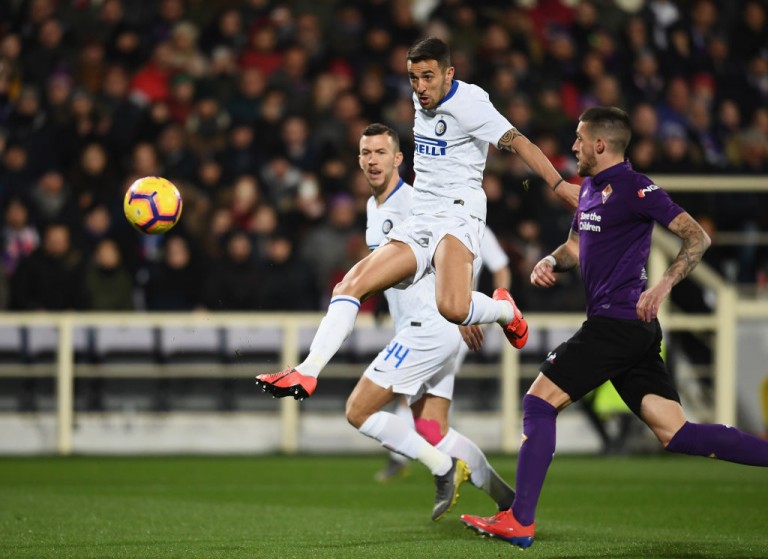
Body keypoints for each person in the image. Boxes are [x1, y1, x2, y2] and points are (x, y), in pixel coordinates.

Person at [459, 106, 768, 549]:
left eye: (580, 139)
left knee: (538, 403)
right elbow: (575, 247)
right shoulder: (589, 188)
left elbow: (696, 236)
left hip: (617, 323)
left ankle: (520, 521)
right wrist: (551, 261)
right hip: (627, 330)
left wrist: (663, 284)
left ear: (600, 144)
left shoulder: (636, 188)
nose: (574, 147)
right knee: (676, 433)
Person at [256, 36, 579, 400]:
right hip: (421, 216)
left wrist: (559, 185)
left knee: (453, 308)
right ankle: (307, 371)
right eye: (414, 78)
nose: (421, 87)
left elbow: (519, 141)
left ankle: (505, 310)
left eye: (428, 77)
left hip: (459, 213)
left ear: (449, 73)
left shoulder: (471, 102)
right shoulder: (419, 98)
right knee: (349, 285)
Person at [339, 123, 516, 521]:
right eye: (366, 153)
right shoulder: (373, 208)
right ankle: (510, 502)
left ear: (399, 158)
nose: (372, 161)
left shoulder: (416, 203)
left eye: (381, 153)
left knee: (359, 410)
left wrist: (462, 304)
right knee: (433, 429)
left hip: (429, 327)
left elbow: (457, 249)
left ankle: (443, 469)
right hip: (421, 327)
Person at [376, 225, 511, 482]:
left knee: (413, 390)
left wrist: (493, 309)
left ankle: (418, 459)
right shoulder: (427, 222)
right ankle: (450, 459)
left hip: (455, 323)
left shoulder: (478, 228)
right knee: (429, 392)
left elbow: (501, 268)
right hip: (429, 319)